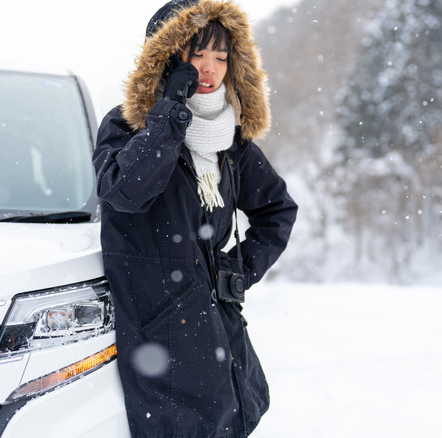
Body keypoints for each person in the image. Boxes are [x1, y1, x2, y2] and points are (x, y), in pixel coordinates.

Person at [92, 1, 298, 436]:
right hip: (157, 337)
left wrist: (235, 270)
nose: (210, 68)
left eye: (221, 57)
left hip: (218, 334)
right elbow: (126, 193)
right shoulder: (126, 127)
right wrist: (169, 112)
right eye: (197, 55)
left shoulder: (231, 142)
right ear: (166, 59)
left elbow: (278, 210)